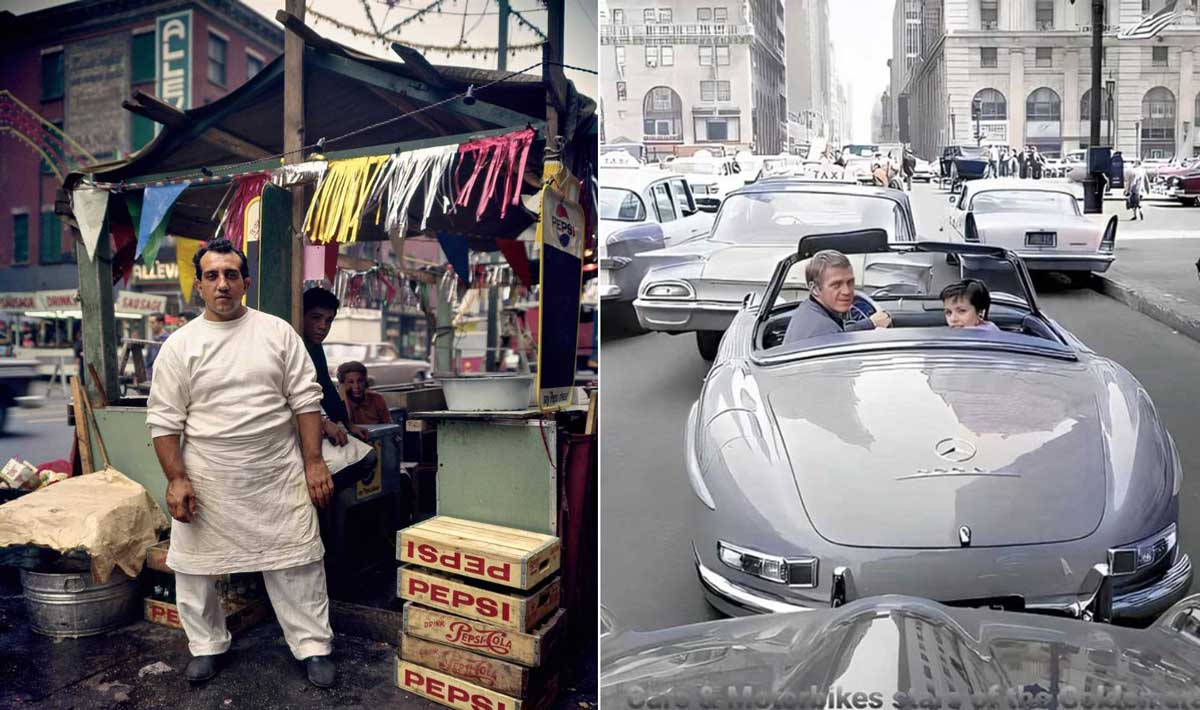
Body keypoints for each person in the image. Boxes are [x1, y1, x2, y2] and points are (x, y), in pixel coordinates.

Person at [146, 238, 337, 688]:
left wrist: (313, 462)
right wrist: (176, 478)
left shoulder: (276, 332)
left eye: (231, 275)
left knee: (298, 562)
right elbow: (164, 421)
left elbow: (306, 402)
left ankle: (313, 646)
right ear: (199, 286)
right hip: (209, 475)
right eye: (212, 275)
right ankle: (207, 646)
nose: (222, 284)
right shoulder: (180, 346)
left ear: (246, 282)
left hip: (276, 471)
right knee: (194, 570)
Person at [301, 288, 368, 444]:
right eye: (316, 318)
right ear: (301, 315)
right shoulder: (291, 344)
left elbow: (325, 384)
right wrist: (323, 423)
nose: (323, 326)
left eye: (328, 320)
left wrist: (348, 424)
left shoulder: (315, 347)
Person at [783, 250, 893, 344]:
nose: (847, 291)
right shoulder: (824, 333)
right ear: (815, 289)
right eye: (836, 285)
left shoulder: (809, 309)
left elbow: (840, 333)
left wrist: (870, 323)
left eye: (850, 282)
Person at [336, 361, 392, 426]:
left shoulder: (376, 398)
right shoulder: (339, 400)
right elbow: (345, 426)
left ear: (365, 381)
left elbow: (389, 425)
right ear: (343, 384)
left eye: (360, 381)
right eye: (351, 382)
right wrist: (343, 395)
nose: (357, 386)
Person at [143, 312, 170, 380]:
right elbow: (148, 360)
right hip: (150, 377)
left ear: (160, 323)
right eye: (149, 322)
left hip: (162, 378)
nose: (150, 325)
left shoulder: (168, 340)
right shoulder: (153, 339)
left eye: (152, 322)